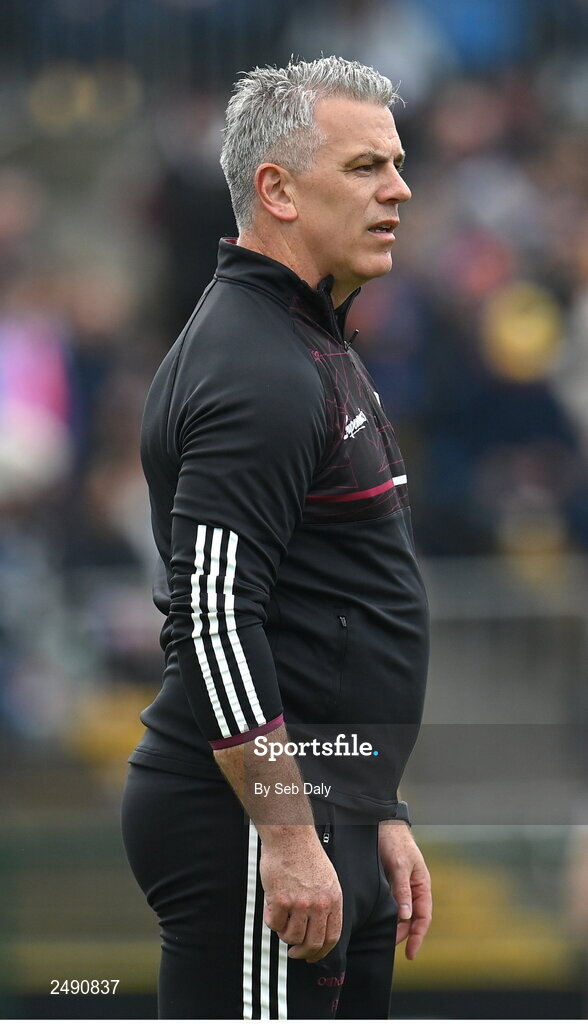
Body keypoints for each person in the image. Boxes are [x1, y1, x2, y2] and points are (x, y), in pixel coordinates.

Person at [121, 55, 432, 1020]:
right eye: (365, 168)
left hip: (329, 800)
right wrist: (289, 834)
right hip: (255, 821)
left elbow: (329, 603)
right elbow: (215, 619)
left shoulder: (310, 337)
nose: (400, 189)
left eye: (397, 162)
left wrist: (376, 803)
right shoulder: (254, 365)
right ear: (277, 190)